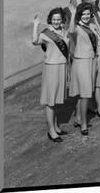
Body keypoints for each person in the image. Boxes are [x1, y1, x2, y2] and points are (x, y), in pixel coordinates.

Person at [32, 8, 70, 142]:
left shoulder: (64, 31)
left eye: (58, 19)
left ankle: (56, 126)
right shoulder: (47, 33)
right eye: (54, 19)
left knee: (57, 99)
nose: (56, 21)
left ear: (62, 20)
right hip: (51, 68)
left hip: (62, 67)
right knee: (50, 100)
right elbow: (35, 41)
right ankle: (51, 130)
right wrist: (36, 25)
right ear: (50, 20)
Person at [67, 1, 99, 136]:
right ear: (79, 15)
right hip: (81, 62)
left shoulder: (91, 25)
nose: (86, 16)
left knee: (83, 92)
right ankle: (84, 124)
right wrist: (74, 14)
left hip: (91, 60)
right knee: (85, 93)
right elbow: (70, 31)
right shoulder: (77, 28)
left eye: (88, 14)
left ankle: (79, 118)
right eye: (83, 14)